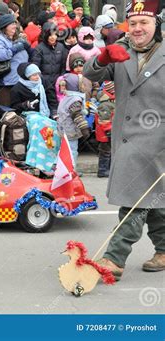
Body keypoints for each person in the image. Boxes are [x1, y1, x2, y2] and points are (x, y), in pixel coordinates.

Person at [83, 0, 165, 278]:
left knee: (135, 200)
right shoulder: (122, 50)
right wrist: (102, 58)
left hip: (158, 141)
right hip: (125, 137)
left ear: (157, 24)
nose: (138, 28)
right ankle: (164, 249)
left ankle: (114, 258)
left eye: (144, 22)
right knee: (152, 198)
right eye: (133, 23)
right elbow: (88, 75)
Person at [0, 13, 30, 107]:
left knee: (19, 109)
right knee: (7, 111)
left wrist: (27, 47)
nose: (15, 26)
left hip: (21, 80)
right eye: (12, 24)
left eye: (15, 23)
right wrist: (15, 48)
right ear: (5, 26)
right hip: (7, 82)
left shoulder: (17, 38)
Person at [31, 22, 68, 115]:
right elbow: (36, 68)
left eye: (55, 35)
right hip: (45, 85)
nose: (53, 37)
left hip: (58, 84)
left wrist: (61, 79)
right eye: (50, 35)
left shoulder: (61, 47)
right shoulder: (39, 49)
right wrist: (46, 82)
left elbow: (64, 66)